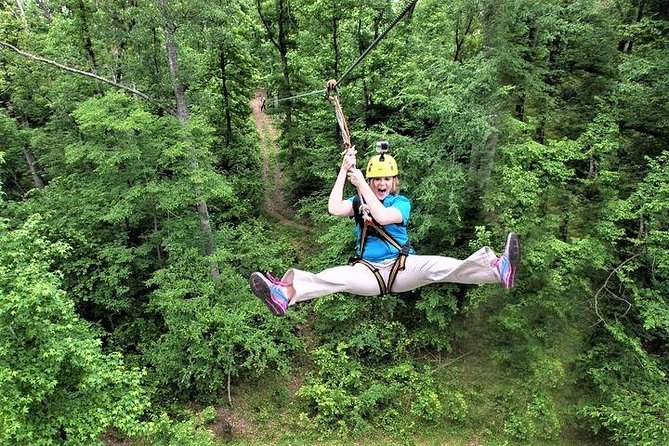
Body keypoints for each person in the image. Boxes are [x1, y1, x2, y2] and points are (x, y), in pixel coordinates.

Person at [249, 148, 521, 316]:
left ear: (394, 182)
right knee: (330, 277)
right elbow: (333, 207)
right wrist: (344, 171)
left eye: (386, 179)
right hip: (367, 272)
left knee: (441, 267)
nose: (381, 183)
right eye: (376, 179)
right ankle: (283, 294)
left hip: (402, 267)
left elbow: (381, 215)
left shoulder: (401, 204)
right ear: (371, 180)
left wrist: (361, 186)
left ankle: (498, 269)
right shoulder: (358, 201)